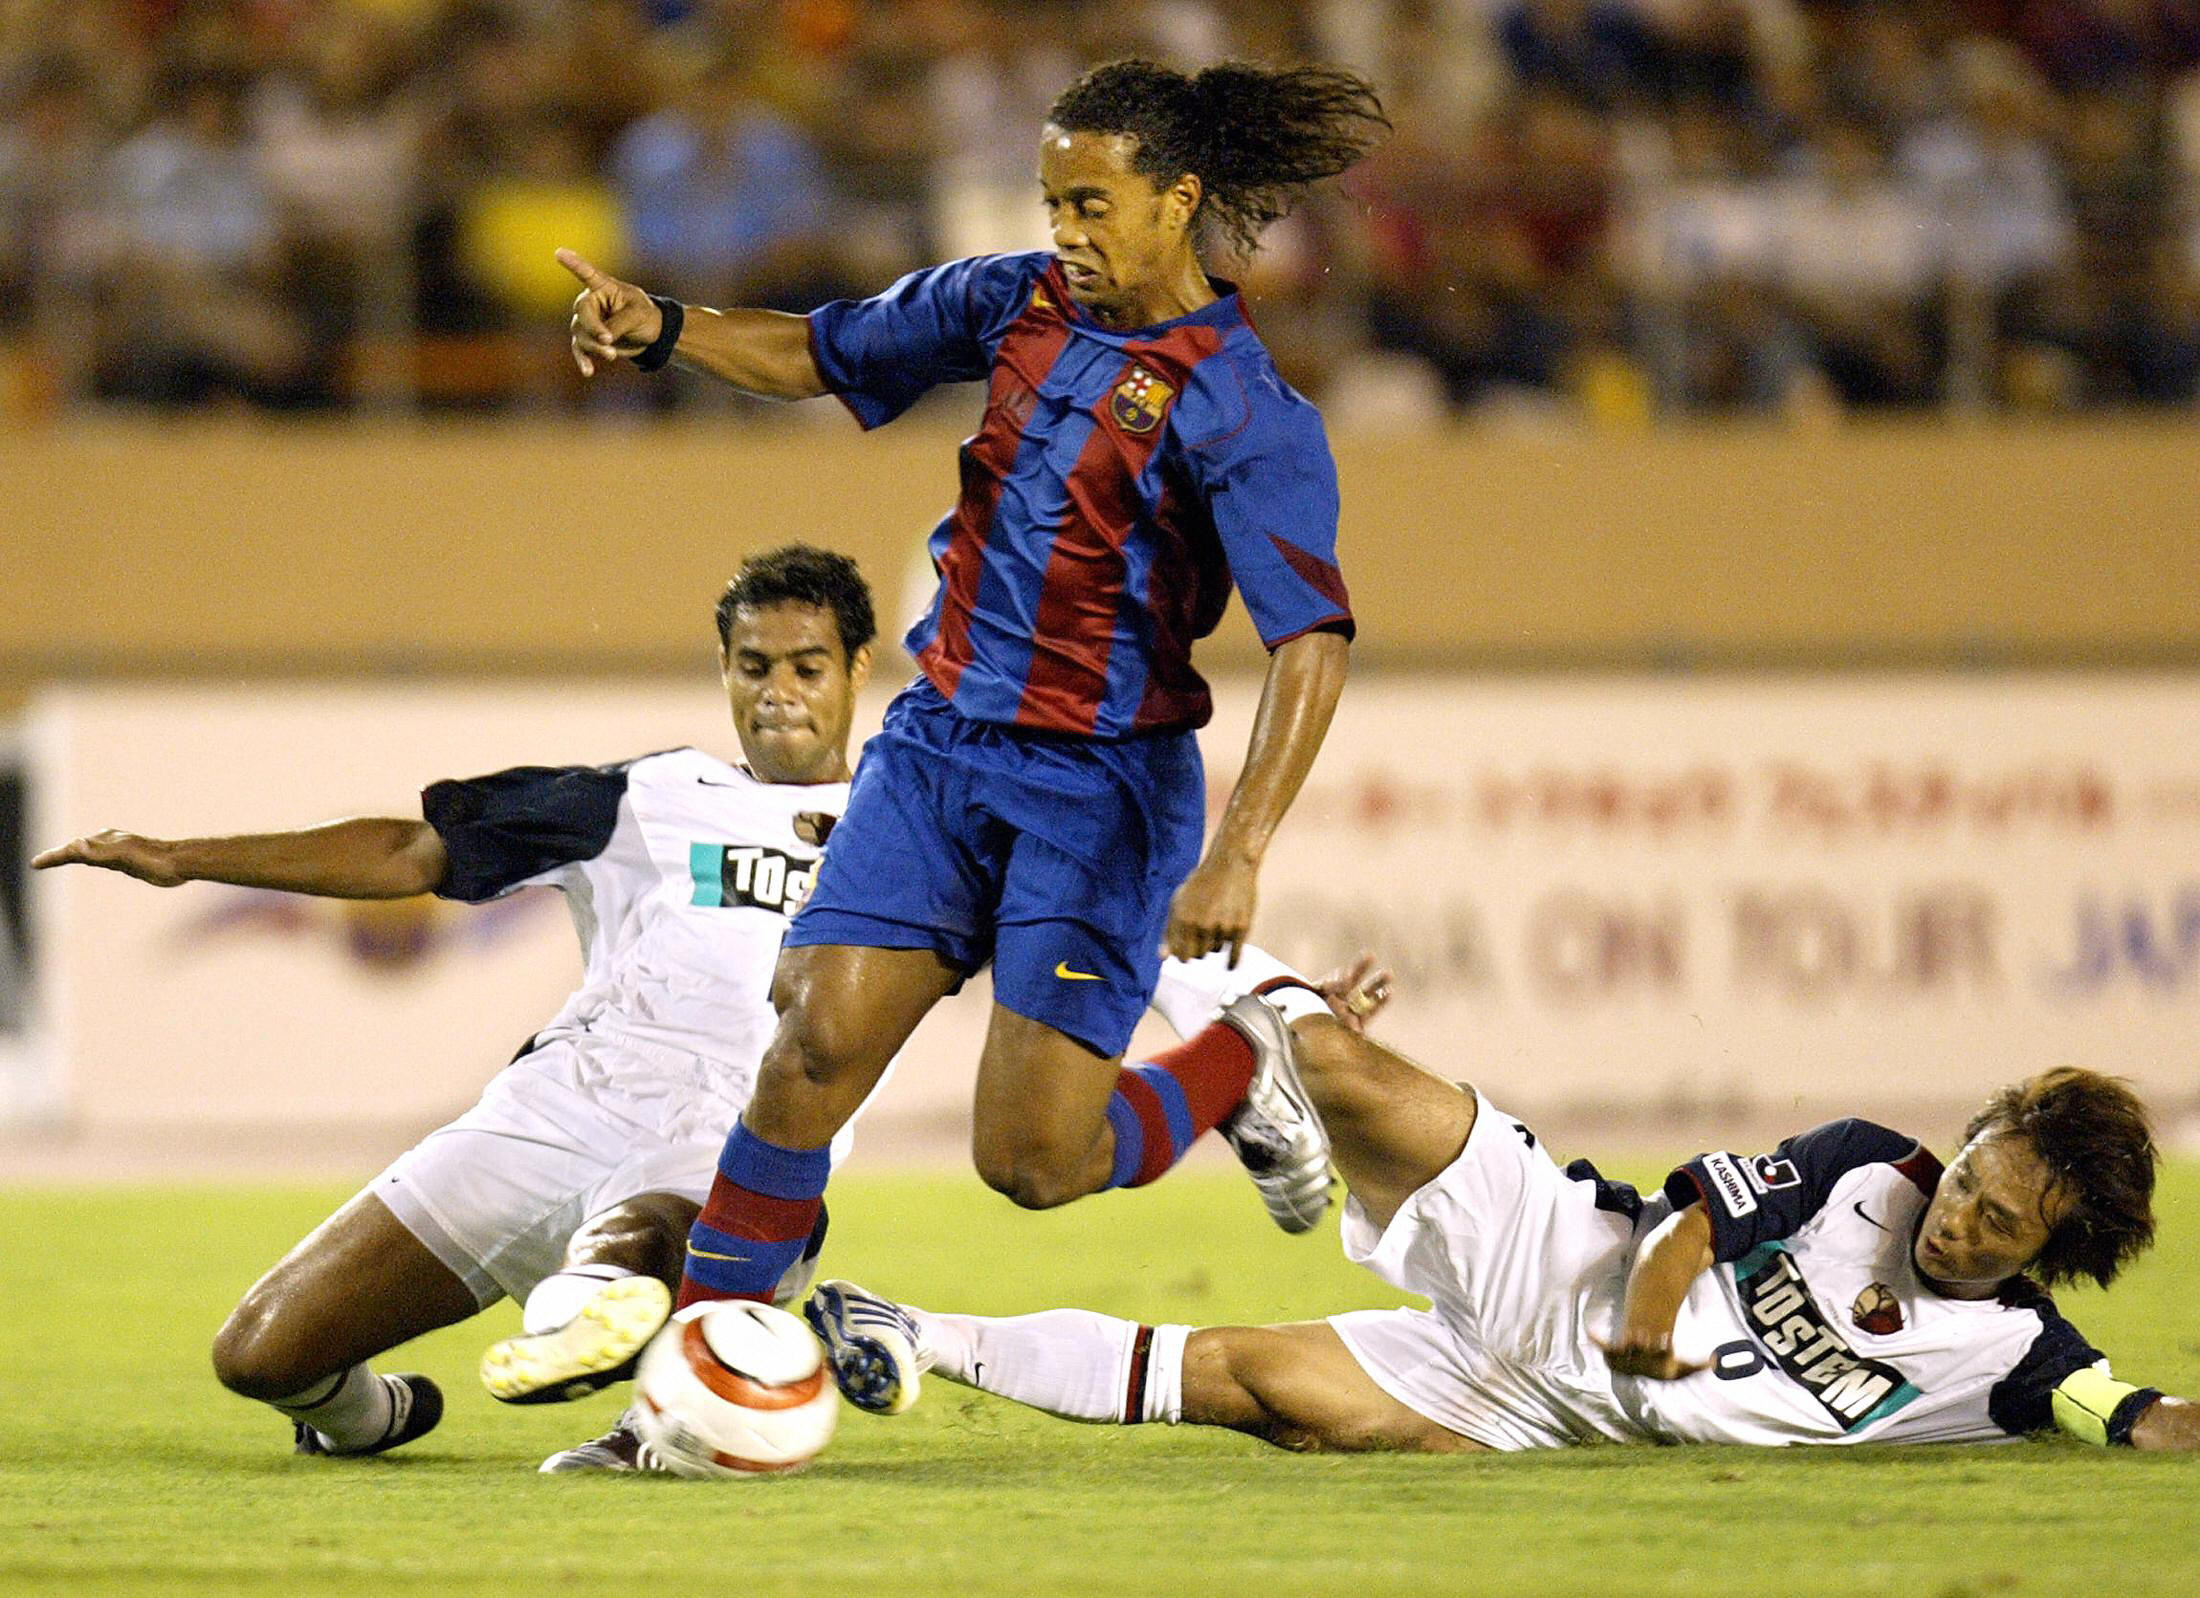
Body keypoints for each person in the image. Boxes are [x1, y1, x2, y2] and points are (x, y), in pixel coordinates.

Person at [540, 58, 1393, 1376]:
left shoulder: (1244, 404)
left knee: (1033, 1161)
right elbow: (818, 350)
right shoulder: (1011, 300)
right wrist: (660, 325)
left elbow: (1313, 642)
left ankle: (1242, 1056)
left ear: (1180, 199)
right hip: (940, 746)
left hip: (1101, 789)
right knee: (813, 1041)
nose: (1067, 229)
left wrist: (1242, 851)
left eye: (1095, 203)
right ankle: (695, 1390)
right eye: (1055, 200)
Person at [32, 546, 881, 1468]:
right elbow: (409, 851)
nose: (778, 692)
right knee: (260, 1353)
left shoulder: (906, 832)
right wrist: (183, 857)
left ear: (855, 671)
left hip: (740, 1137)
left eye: (807, 667)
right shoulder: (649, 797)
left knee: (639, 1237)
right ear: (724, 669)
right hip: (559, 1109)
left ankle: (595, 1317)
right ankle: (374, 1415)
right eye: (754, 666)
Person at [813, 990, 2200, 1454]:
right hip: (1566, 1250)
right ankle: (1258, 1092)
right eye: (1967, 1176)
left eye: (1996, 1220)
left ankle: (911, 1330)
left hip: (1544, 1409)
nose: (1955, 1215)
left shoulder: (2024, 1361)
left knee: (1248, 1383)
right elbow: (1695, 1225)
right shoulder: (1864, 1164)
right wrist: (1653, 1309)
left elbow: (2148, 1422)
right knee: (1330, 1052)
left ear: (2046, 1251)